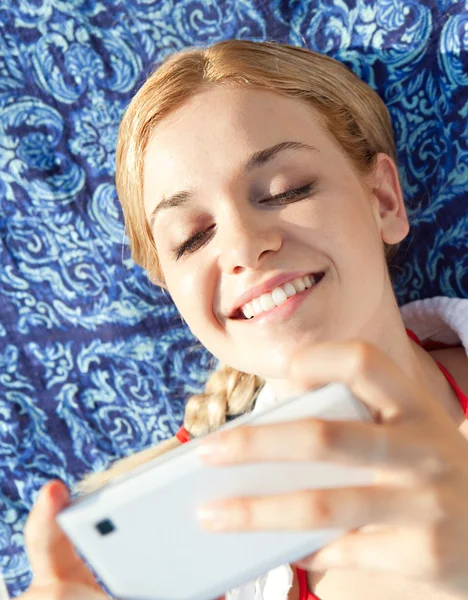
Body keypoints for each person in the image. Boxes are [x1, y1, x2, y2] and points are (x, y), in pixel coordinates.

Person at [17, 40, 468, 600]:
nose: (244, 246)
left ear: (383, 200)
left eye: (287, 190)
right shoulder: (193, 553)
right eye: (192, 238)